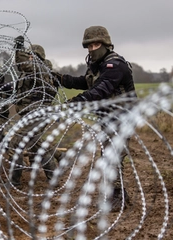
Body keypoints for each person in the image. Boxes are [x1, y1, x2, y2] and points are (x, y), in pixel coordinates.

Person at [51, 26, 137, 211]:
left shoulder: (115, 65)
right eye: (89, 46)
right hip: (108, 118)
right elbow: (86, 83)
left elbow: (101, 89)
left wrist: (76, 103)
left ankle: (116, 197)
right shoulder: (97, 66)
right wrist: (61, 79)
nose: (92, 50)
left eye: (96, 45)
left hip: (122, 119)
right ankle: (119, 194)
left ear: (106, 44)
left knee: (111, 156)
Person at [5, 35, 64, 189]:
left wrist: (18, 49)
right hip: (30, 114)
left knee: (14, 144)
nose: (29, 58)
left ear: (38, 58)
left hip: (36, 114)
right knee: (36, 146)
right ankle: (54, 177)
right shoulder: (32, 71)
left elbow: (24, 64)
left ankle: (14, 182)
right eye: (28, 55)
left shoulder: (40, 69)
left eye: (32, 56)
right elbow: (22, 67)